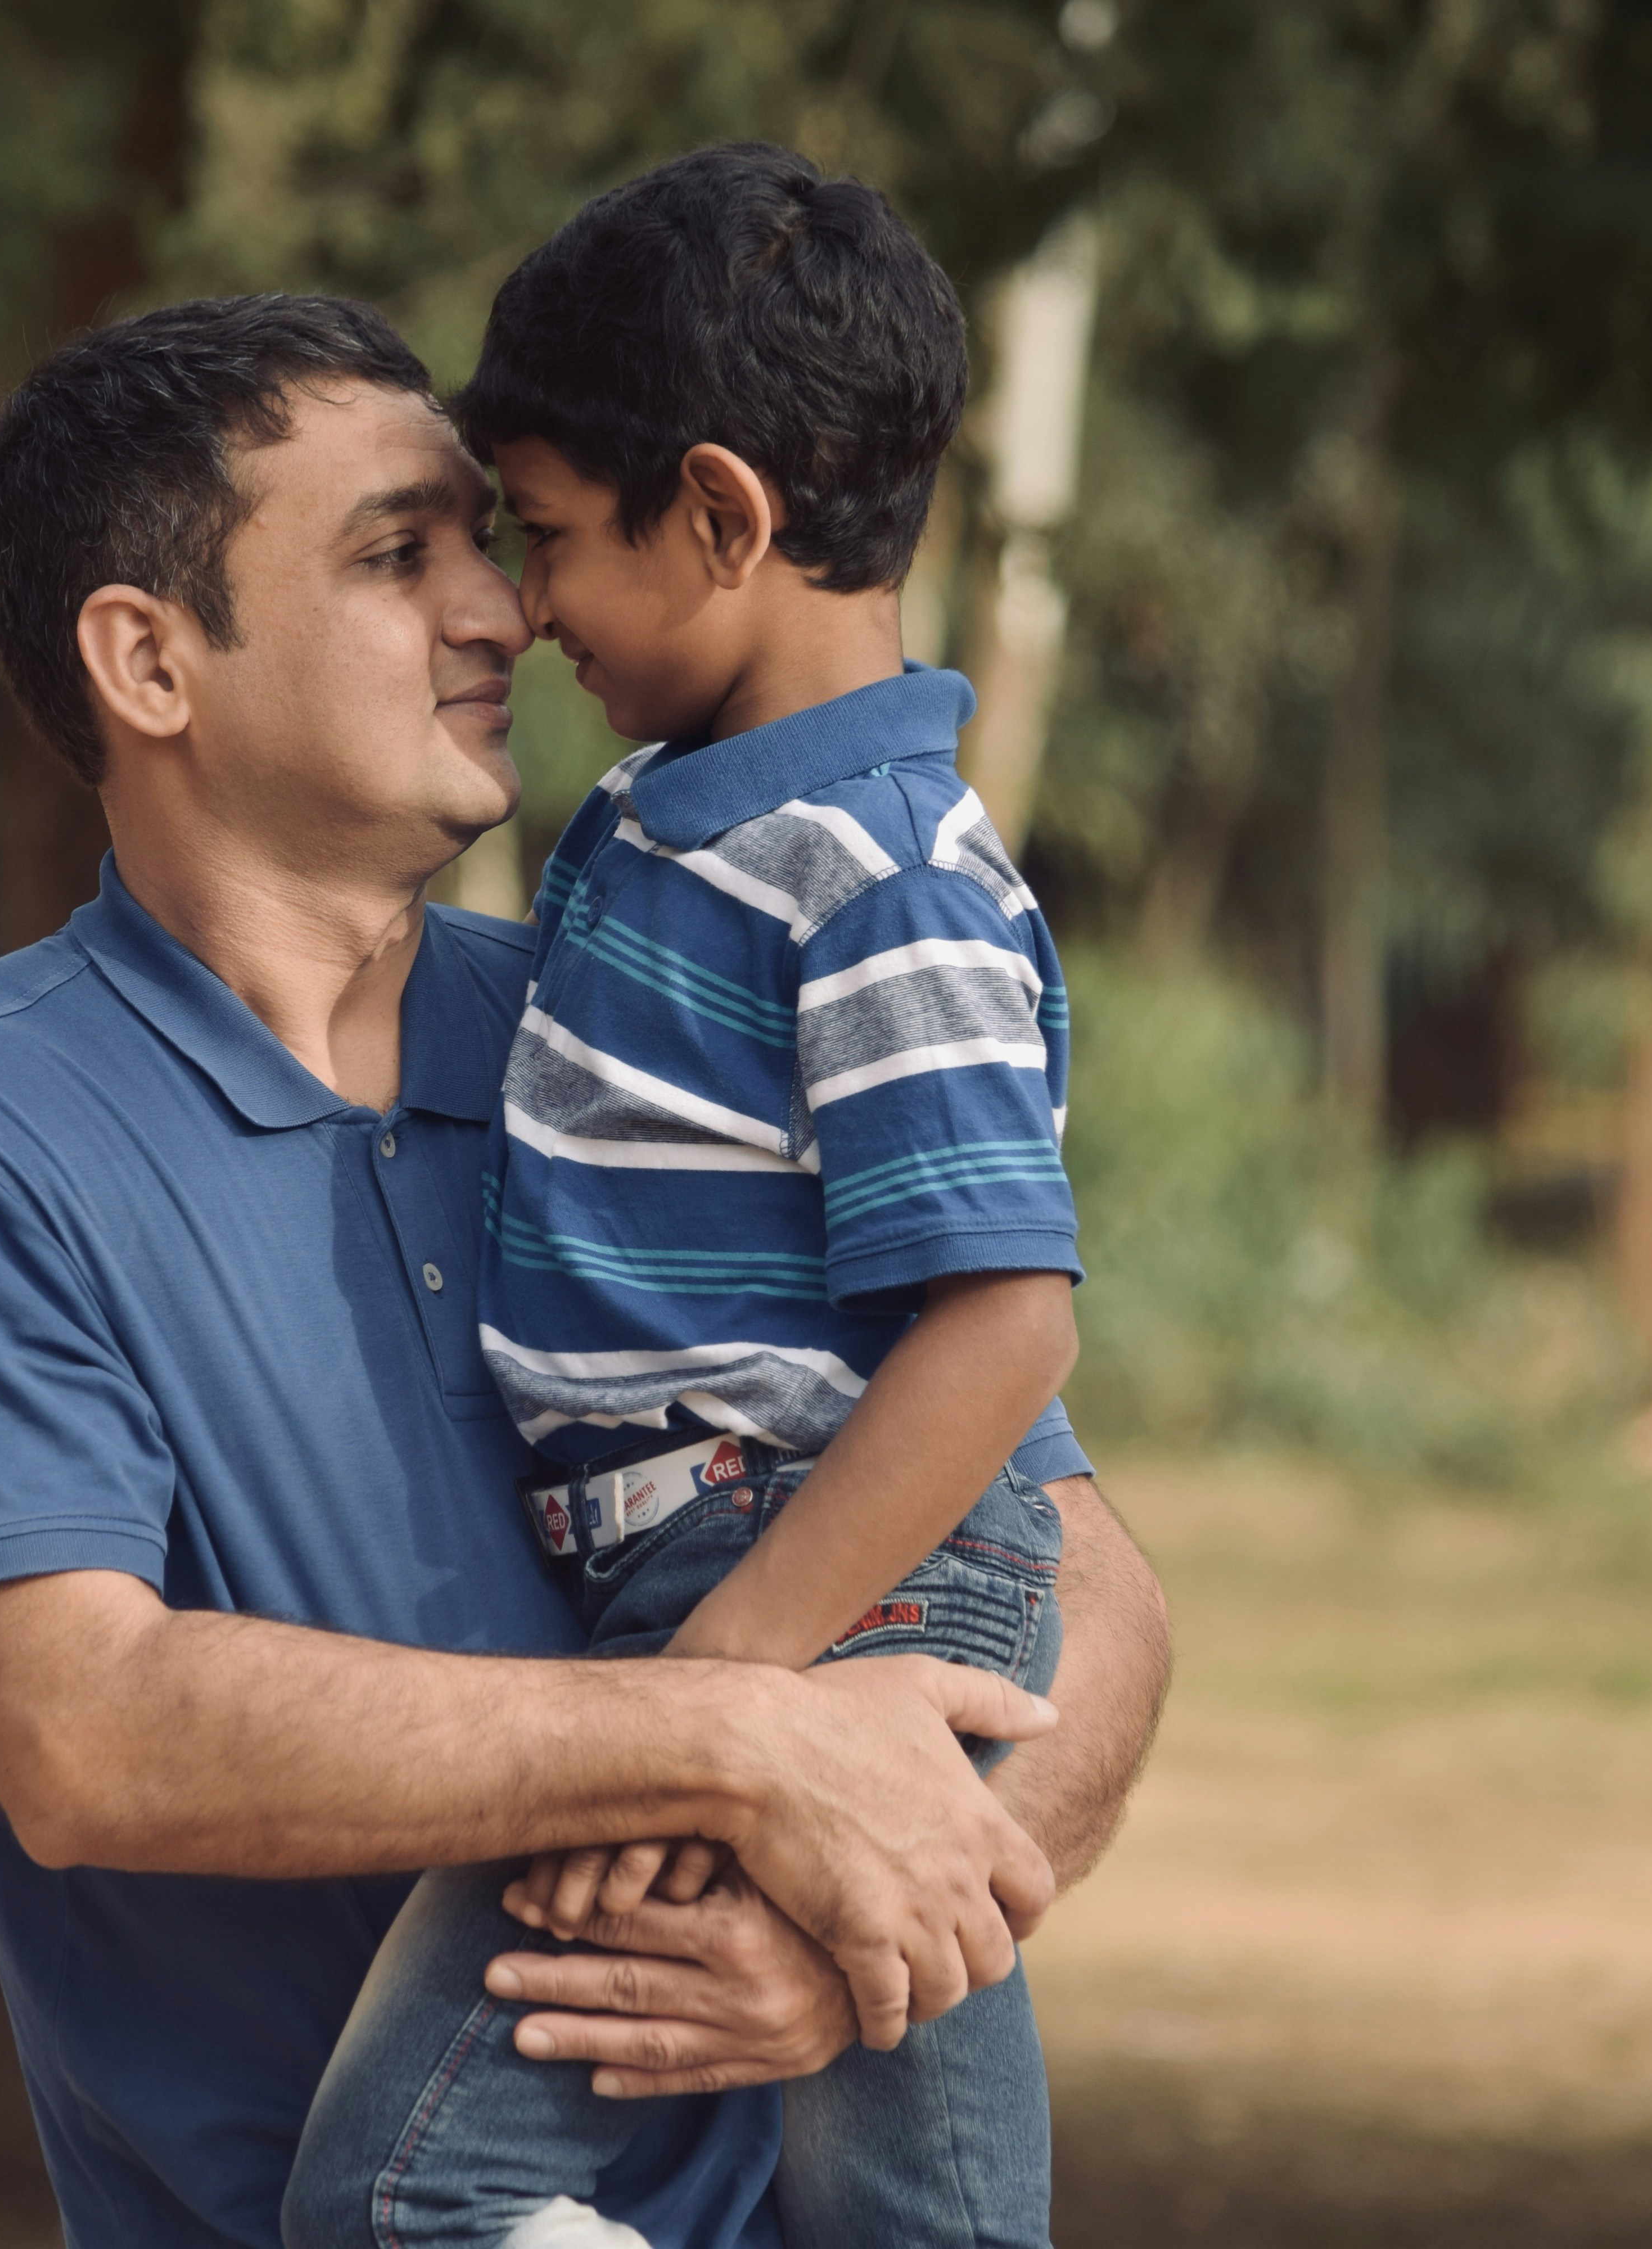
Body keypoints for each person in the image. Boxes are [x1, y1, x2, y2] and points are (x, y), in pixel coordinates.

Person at [0, 288, 1172, 2249]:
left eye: (492, 543)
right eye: (395, 553)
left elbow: (1088, 1589)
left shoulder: (652, 1026)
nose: (505, 612)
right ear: (149, 659)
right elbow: (89, 1736)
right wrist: (737, 1738)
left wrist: (874, 1933)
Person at [282, 146, 1082, 2249]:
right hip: (700, 1598)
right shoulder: (660, 824)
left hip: (817, 1598)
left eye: (544, 539)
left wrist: (731, 1688)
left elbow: (1006, 1323)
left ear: (721, 516)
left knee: (413, 2197)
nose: (520, 611)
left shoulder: (885, 872)